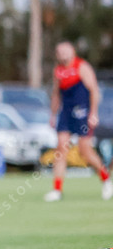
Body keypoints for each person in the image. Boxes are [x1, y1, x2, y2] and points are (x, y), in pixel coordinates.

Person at [44, 42, 112, 202]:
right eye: (59, 51)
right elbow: (56, 94)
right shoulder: (58, 71)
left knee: (85, 150)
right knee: (61, 148)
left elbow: (94, 91)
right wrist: (53, 115)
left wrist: (93, 113)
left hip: (83, 112)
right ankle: (57, 189)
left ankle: (106, 179)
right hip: (66, 113)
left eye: (65, 51)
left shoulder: (82, 67)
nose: (62, 54)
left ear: (73, 51)